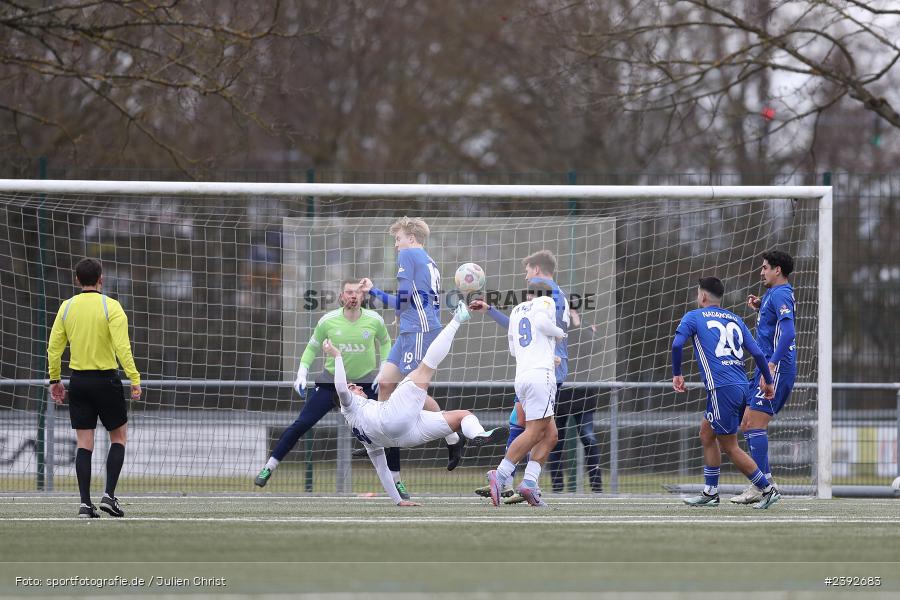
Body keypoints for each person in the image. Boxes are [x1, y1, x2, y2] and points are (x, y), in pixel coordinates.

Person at [329, 303, 507, 505]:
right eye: (353, 387)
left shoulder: (363, 436)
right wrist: (338, 356)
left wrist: (398, 501)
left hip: (404, 438)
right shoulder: (349, 406)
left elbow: (382, 469)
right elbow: (341, 388)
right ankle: (458, 318)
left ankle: (477, 435)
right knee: (425, 367)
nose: (358, 387)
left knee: (463, 416)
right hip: (392, 418)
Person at [254, 280, 399, 491]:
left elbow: (385, 342)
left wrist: (384, 368)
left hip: (365, 383)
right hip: (330, 383)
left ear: (363, 296)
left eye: (357, 292)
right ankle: (269, 467)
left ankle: (397, 481)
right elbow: (311, 348)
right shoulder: (327, 321)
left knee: (389, 427)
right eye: (349, 292)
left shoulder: (374, 320)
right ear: (341, 296)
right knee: (302, 424)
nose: (353, 296)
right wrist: (302, 372)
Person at [360, 216, 464, 496]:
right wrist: (397, 314)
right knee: (384, 383)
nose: (396, 244)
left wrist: (375, 293)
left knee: (412, 390)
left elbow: (405, 299)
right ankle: (383, 447)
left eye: (398, 238)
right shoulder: (428, 259)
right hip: (411, 330)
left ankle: (452, 436)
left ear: (411, 238)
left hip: (420, 330)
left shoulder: (408, 255)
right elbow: (415, 299)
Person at [672, 277, 780, 510]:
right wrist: (769, 382)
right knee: (706, 433)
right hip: (740, 385)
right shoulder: (735, 319)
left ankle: (767, 488)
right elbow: (758, 353)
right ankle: (710, 493)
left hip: (722, 388)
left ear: (702, 296)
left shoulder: (693, 316)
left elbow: (677, 344)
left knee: (729, 446)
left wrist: (677, 374)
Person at [471, 249, 570, 503]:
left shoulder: (538, 301)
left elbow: (521, 339)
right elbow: (543, 326)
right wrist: (559, 336)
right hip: (542, 373)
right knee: (535, 430)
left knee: (543, 431)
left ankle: (524, 482)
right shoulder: (550, 298)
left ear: (536, 270)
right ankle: (506, 477)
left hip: (534, 372)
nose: (525, 277)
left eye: (527, 271)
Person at [47, 258, 142, 518]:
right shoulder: (111, 306)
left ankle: (85, 504)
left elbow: (54, 348)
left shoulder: (67, 307)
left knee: (84, 443)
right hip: (106, 381)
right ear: (101, 278)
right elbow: (122, 347)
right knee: (118, 438)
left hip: (78, 382)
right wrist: (134, 378)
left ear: (77, 279)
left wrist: (54, 379)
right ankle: (109, 496)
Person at [730, 250, 798, 505]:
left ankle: (765, 487)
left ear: (777, 270)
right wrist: (761, 306)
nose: (761, 272)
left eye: (765, 267)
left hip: (776, 367)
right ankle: (764, 483)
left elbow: (788, 333)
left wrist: (771, 365)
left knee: (755, 425)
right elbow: (775, 322)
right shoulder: (773, 294)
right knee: (747, 423)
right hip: (766, 367)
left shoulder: (780, 294)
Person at [547, 308, 603, 493]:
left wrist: (580, 326)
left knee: (588, 439)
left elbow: (595, 346)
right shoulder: (554, 330)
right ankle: (557, 487)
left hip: (583, 396)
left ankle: (596, 487)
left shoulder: (585, 331)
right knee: (555, 441)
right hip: (560, 395)